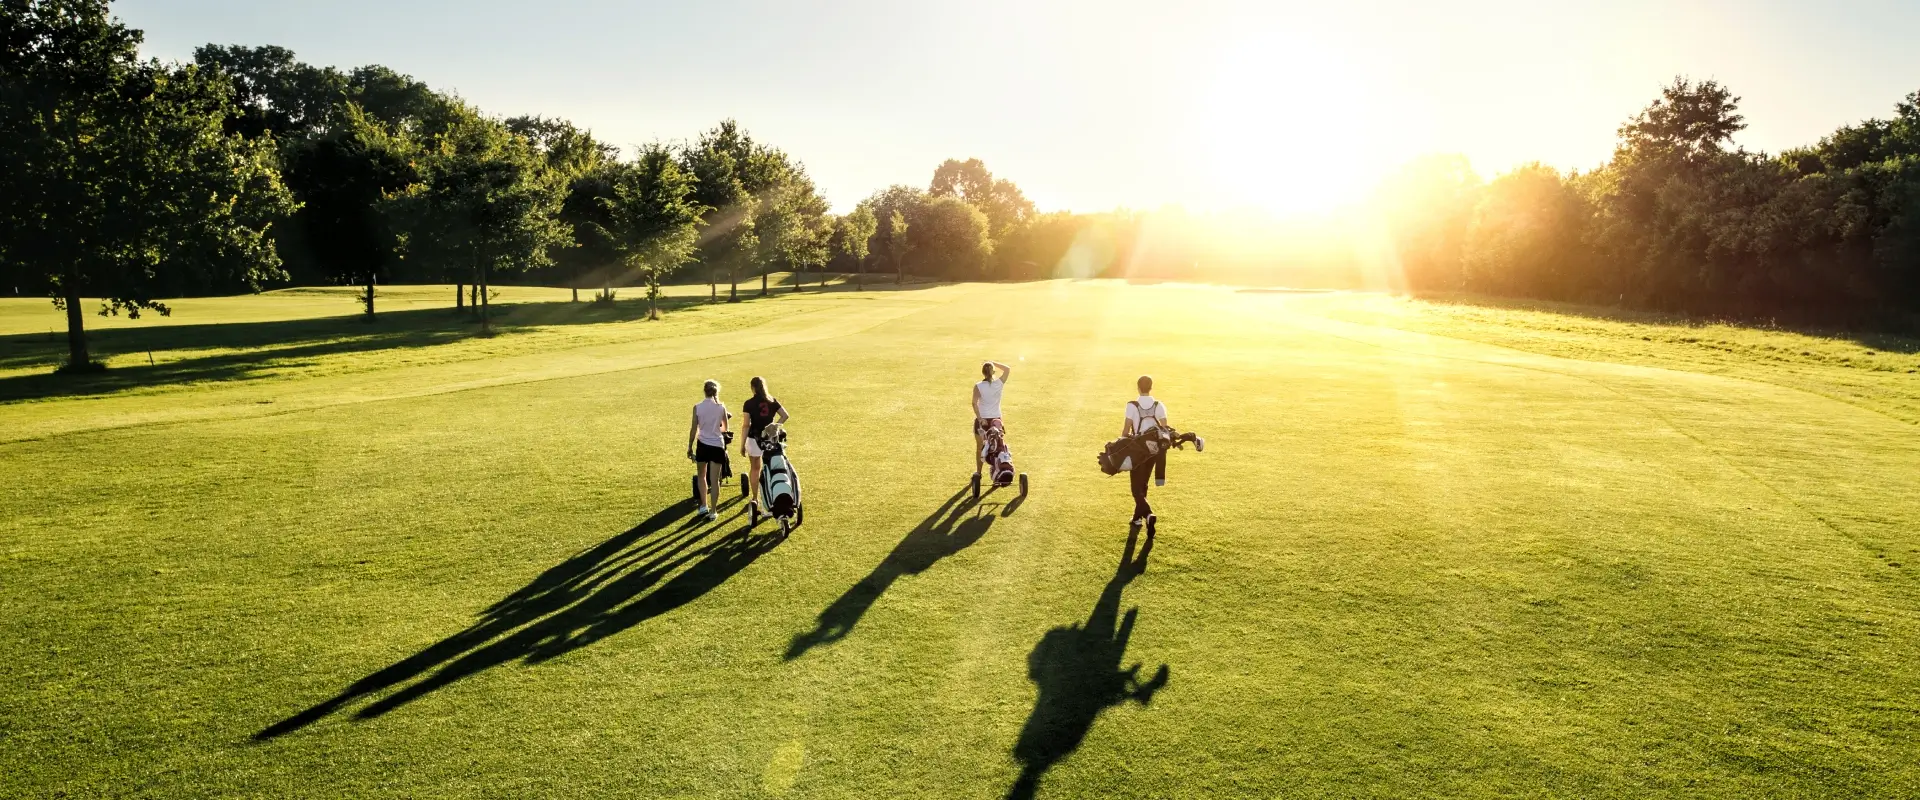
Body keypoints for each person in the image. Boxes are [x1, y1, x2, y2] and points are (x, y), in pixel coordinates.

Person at [1122, 375, 1170, 535]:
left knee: (1136, 488)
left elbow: (1125, 431)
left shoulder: (1132, 405)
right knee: (1143, 484)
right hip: (1155, 451)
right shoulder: (1159, 405)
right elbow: (1165, 429)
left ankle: (1148, 514)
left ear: (1138, 387)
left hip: (1137, 450)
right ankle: (1137, 518)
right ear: (1151, 387)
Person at [740, 376, 791, 512]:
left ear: (753, 388)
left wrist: (742, 444)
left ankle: (755, 497)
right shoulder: (772, 400)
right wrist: (775, 426)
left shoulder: (748, 403)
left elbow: (746, 425)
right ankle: (773, 495)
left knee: (755, 468)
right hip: (770, 439)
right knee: (770, 468)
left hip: (754, 439)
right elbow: (785, 415)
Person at [687, 379, 731, 521]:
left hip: (702, 445)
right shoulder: (721, 407)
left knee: (702, 476)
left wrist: (689, 446)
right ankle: (713, 511)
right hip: (717, 445)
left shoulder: (698, 407)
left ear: (704, 391)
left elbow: (694, 428)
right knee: (715, 479)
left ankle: (703, 506)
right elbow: (725, 428)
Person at [973, 361, 1012, 480]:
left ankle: (978, 473)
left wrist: (980, 419)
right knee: (998, 446)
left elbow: (974, 403)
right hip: (996, 421)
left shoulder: (978, 386)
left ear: (983, 373)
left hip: (982, 421)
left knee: (980, 447)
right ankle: (998, 469)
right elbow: (1007, 368)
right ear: (993, 371)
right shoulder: (999, 383)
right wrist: (992, 362)